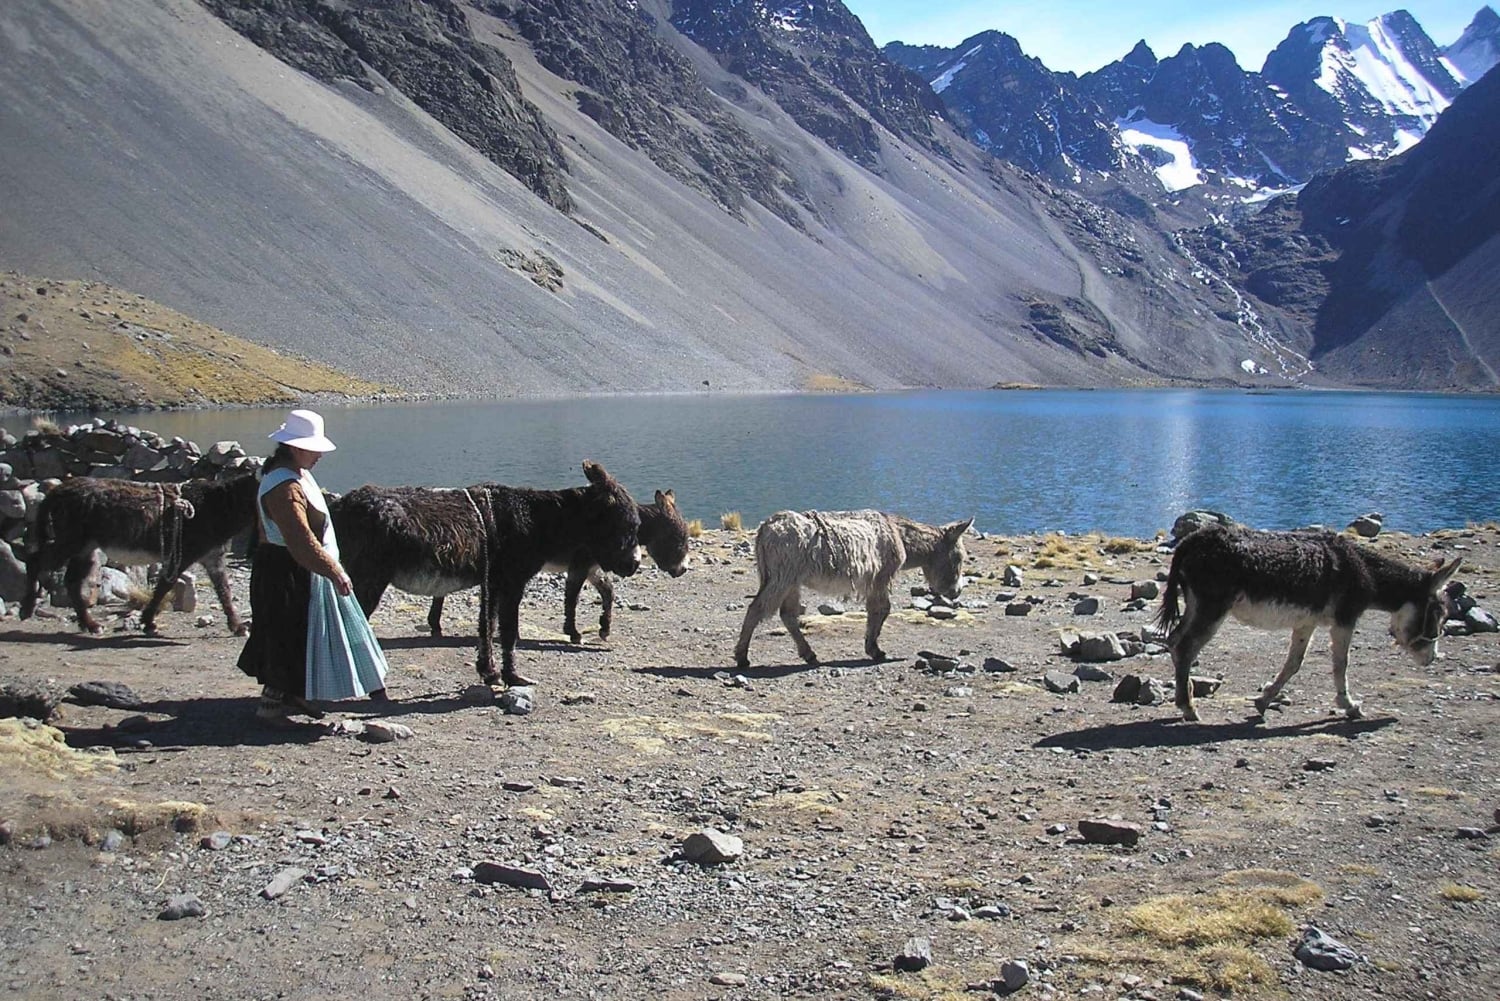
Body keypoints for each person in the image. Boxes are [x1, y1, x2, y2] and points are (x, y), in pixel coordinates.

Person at [237, 409, 388, 723]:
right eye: (313, 447)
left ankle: (295, 694)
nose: (319, 454)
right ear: (294, 447)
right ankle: (271, 706)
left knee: (300, 634)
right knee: (288, 634)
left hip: (293, 567)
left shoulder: (286, 473)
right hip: (287, 572)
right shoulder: (285, 488)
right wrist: (334, 571)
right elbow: (300, 538)